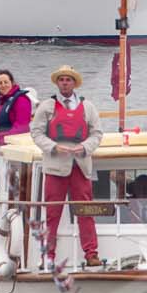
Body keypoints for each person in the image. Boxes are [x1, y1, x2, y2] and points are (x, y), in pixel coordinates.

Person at [30, 65, 104, 267]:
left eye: (68, 79)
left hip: (80, 166)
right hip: (55, 167)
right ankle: (48, 255)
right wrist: (53, 147)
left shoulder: (88, 106)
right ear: (57, 83)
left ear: (74, 83)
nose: (65, 82)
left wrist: (84, 147)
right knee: (52, 212)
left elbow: (97, 133)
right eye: (61, 79)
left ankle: (91, 253)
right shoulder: (46, 107)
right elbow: (36, 133)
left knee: (86, 211)